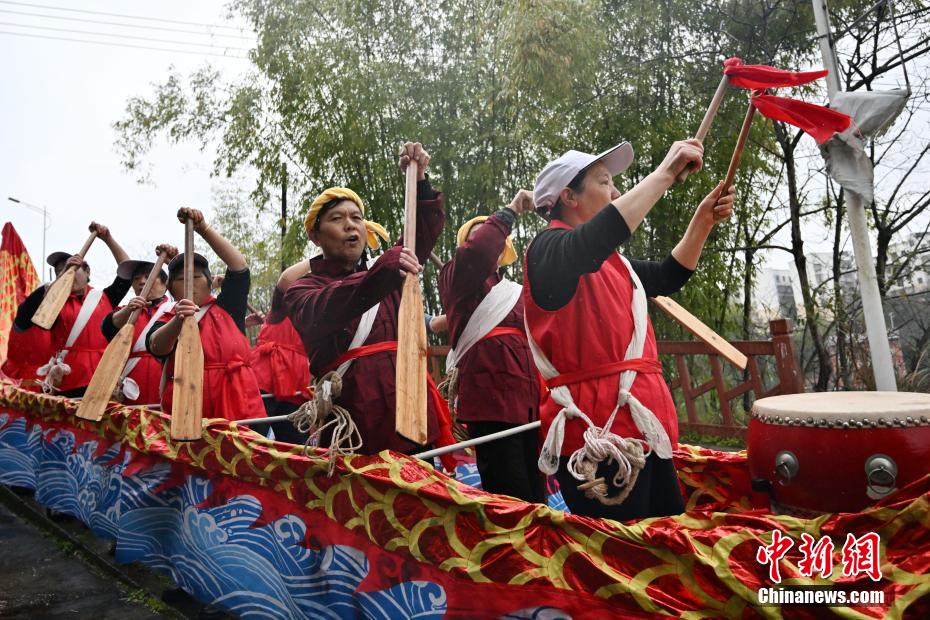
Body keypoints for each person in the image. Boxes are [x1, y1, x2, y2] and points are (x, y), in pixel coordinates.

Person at [524, 140, 734, 520]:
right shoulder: (547, 251)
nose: (616, 190)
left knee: (667, 537)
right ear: (569, 197)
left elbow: (668, 275)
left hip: (642, 425)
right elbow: (596, 238)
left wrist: (703, 220)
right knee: (625, 564)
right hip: (598, 435)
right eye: (605, 182)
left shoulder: (613, 264)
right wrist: (664, 175)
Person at [285, 142, 455, 465]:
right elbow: (329, 306)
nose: (351, 224)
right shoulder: (303, 290)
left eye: (357, 217)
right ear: (316, 237)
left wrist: (419, 181)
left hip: (411, 410)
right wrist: (385, 269)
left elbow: (420, 233)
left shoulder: (389, 272)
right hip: (355, 423)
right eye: (337, 218)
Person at [438, 190, 544, 502]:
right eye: (476, 237)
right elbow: (477, 254)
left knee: (536, 491)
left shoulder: (516, 291)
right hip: (491, 398)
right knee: (509, 494)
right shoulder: (456, 278)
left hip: (530, 401)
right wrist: (510, 210)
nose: (487, 241)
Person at [146, 208, 264, 422]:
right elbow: (156, 346)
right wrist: (177, 321)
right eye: (181, 280)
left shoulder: (228, 307)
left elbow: (239, 267)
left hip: (240, 406)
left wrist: (204, 229)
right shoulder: (166, 317)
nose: (190, 283)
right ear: (171, 290)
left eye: (197, 277)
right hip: (186, 409)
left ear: (210, 283)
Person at [12, 222, 130, 396]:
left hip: (101, 376)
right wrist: (56, 282)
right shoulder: (52, 305)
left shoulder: (104, 297)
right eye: (60, 271)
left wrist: (107, 239)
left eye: (74, 269)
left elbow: (126, 273)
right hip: (64, 379)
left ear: (87, 271)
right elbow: (22, 321)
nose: (67, 274)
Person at [99, 244, 178, 406]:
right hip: (130, 386)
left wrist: (173, 262)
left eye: (148, 277)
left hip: (166, 381)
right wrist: (129, 309)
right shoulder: (124, 311)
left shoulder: (175, 309)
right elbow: (107, 327)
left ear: (165, 284)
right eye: (136, 279)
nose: (142, 282)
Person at [248, 258, 313, 443]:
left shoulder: (315, 314)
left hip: (296, 385)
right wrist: (323, 256)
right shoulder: (280, 308)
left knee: (297, 445)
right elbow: (286, 280)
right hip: (265, 379)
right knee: (253, 440)